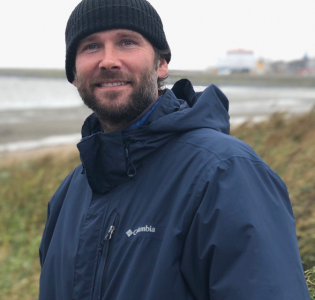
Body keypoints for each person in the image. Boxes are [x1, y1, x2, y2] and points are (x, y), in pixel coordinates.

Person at [38, 0, 311, 299]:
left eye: (127, 42)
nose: (108, 61)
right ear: (74, 73)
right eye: (90, 47)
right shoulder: (68, 195)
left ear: (161, 64)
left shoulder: (226, 172)